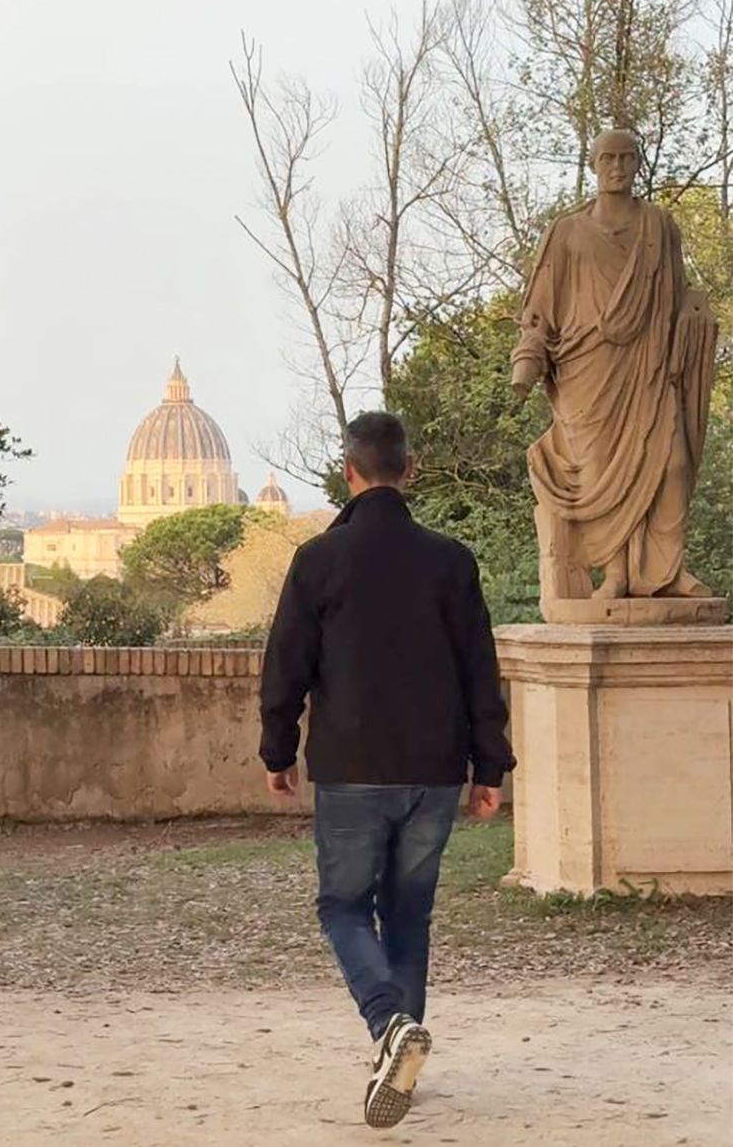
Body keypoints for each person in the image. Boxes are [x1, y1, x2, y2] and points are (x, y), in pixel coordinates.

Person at [259, 412, 515, 1130]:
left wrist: (277, 751)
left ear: (349, 472)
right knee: (409, 912)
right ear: (410, 469)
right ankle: (399, 1045)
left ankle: (387, 1024)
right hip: (434, 768)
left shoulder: (318, 560)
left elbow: (286, 665)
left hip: (351, 765)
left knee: (342, 905)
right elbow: (478, 672)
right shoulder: (451, 560)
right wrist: (489, 765)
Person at [511, 128, 717, 611]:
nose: (618, 167)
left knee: (673, 463)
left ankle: (668, 571)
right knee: (603, 473)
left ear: (638, 165)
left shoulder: (660, 227)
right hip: (589, 366)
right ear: (593, 164)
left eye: (627, 158)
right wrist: (527, 358)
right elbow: (540, 307)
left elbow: (677, 291)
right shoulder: (568, 231)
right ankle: (617, 575)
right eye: (608, 158)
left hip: (651, 364)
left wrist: (695, 316)